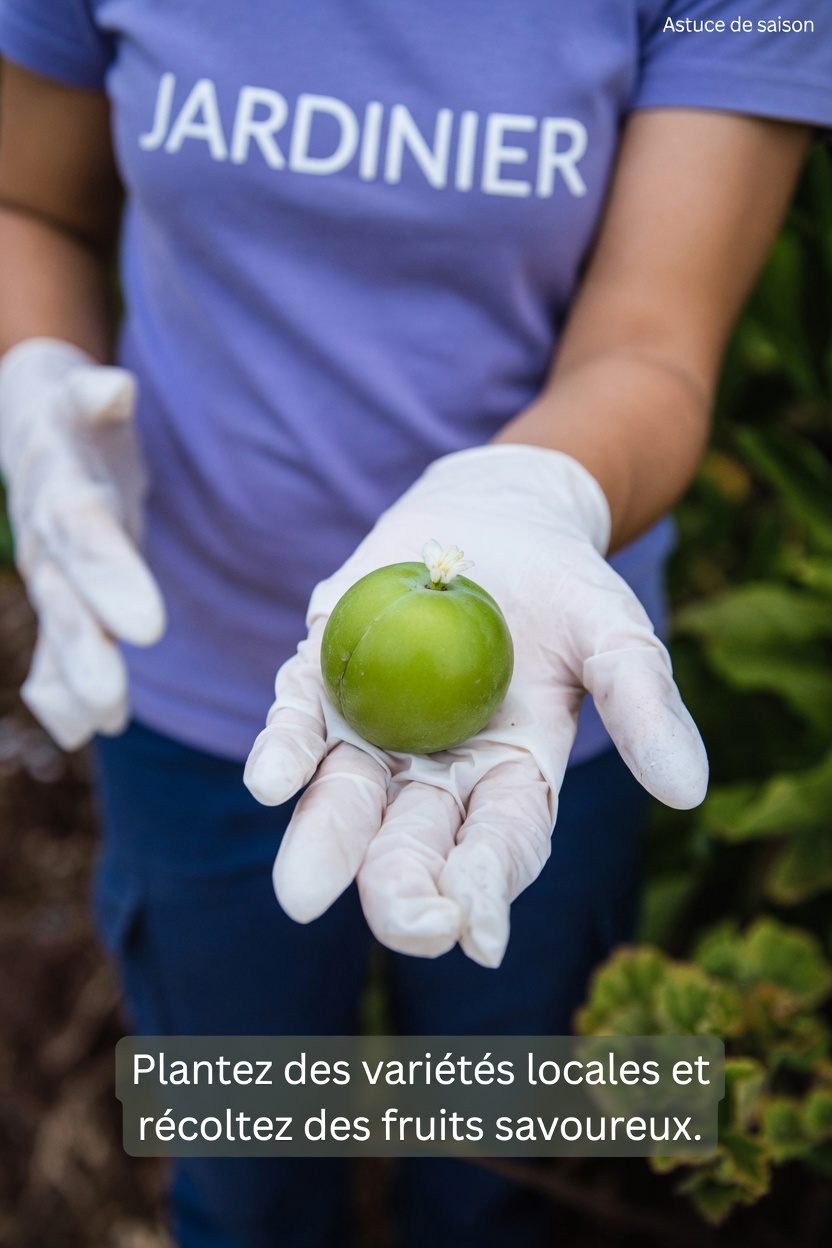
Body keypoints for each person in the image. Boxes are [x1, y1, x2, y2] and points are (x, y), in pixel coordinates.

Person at [0, 2, 828, 1245]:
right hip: (184, 666)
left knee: (497, 1170)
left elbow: (656, 340)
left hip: (542, 693)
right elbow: (33, 203)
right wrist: (37, 373)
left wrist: (525, 492)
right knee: (243, 1170)